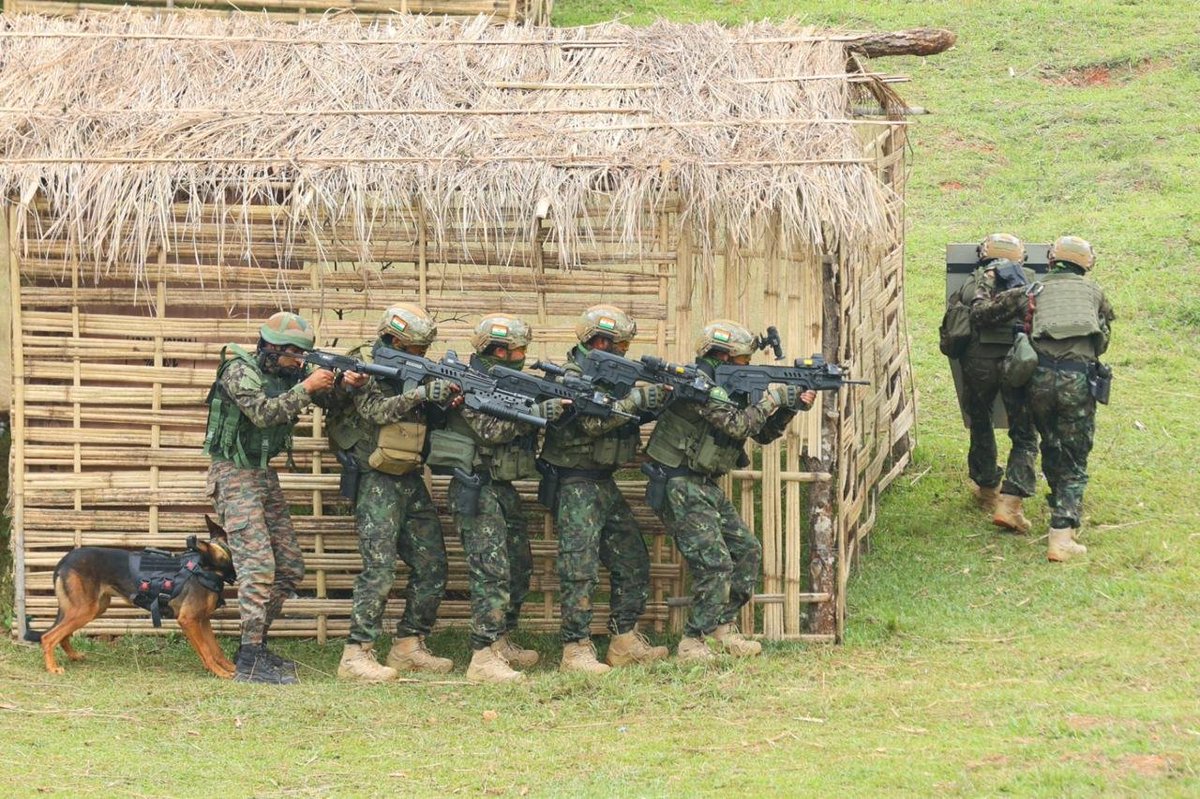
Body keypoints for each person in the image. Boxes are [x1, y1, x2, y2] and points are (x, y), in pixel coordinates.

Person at [643, 319, 815, 661]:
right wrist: (775, 397)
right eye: (740, 360)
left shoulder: (729, 390)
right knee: (715, 563)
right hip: (679, 483)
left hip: (704, 485)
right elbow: (739, 425)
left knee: (747, 550)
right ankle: (693, 641)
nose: (746, 366)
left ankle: (722, 628)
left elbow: (761, 434)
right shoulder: (696, 385)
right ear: (720, 356)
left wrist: (791, 405)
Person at [427, 314, 570, 683]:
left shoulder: (504, 380)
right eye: (519, 350)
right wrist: (536, 414)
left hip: (500, 486)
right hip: (475, 484)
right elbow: (489, 431)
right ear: (500, 350)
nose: (524, 356)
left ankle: (500, 639)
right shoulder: (467, 383)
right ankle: (482, 655)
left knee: (518, 567)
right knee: (490, 571)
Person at [325, 303, 462, 682]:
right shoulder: (362, 365)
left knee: (433, 563)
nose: (418, 355)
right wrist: (420, 394)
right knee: (380, 568)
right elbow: (373, 412)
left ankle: (408, 646)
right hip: (375, 477)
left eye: (421, 350)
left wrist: (441, 401)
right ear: (391, 338)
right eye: (413, 348)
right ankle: (356, 654)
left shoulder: (416, 370)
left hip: (408, 474)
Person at [203, 311, 336, 684]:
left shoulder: (286, 374)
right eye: (294, 355)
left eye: (303, 358)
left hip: (262, 474)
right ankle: (249, 659)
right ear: (272, 348)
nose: (299, 363)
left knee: (290, 567)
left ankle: (255, 645)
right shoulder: (239, 371)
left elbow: (322, 397)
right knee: (258, 567)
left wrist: (343, 384)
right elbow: (263, 413)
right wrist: (308, 386)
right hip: (233, 475)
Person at [539, 305, 670, 674]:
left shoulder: (610, 376)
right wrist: (641, 399)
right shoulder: (570, 376)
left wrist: (655, 403)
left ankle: (623, 639)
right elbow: (593, 422)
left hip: (602, 482)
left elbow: (621, 415)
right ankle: (575, 649)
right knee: (578, 567)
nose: (626, 351)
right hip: (574, 482)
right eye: (620, 344)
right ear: (599, 341)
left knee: (632, 559)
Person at [972, 236, 1114, 561]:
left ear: (1051, 260)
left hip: (1038, 380)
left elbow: (983, 315)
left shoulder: (1033, 290)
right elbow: (1103, 342)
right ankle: (1062, 536)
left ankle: (1028, 509)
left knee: (1049, 445)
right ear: (1087, 264)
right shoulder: (1096, 294)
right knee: (1075, 459)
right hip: (1077, 381)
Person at [959, 233, 1040, 532]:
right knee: (1024, 431)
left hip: (978, 361)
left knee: (980, 421)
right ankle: (1011, 499)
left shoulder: (976, 278)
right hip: (1018, 359)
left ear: (984, 253)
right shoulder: (1031, 278)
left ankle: (987, 488)